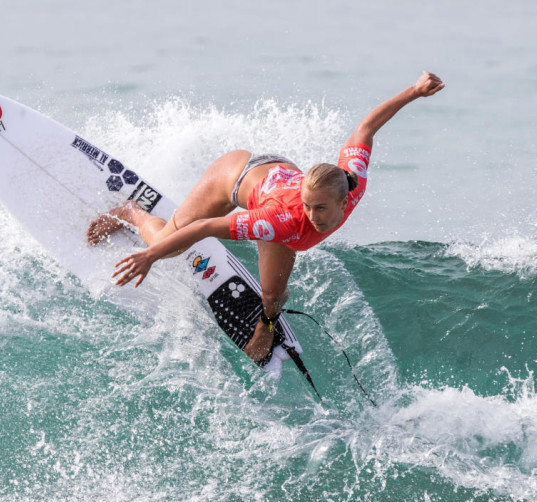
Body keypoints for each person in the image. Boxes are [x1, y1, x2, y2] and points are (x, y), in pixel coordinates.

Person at [87, 72, 445, 363]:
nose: (313, 216)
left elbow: (365, 129)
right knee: (167, 246)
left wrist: (415, 91)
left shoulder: (350, 181)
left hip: (281, 181)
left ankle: (267, 323)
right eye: (308, 206)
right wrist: (150, 256)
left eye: (320, 209)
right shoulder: (280, 221)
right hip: (234, 177)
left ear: (342, 200)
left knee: (273, 295)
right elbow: (204, 228)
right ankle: (130, 212)